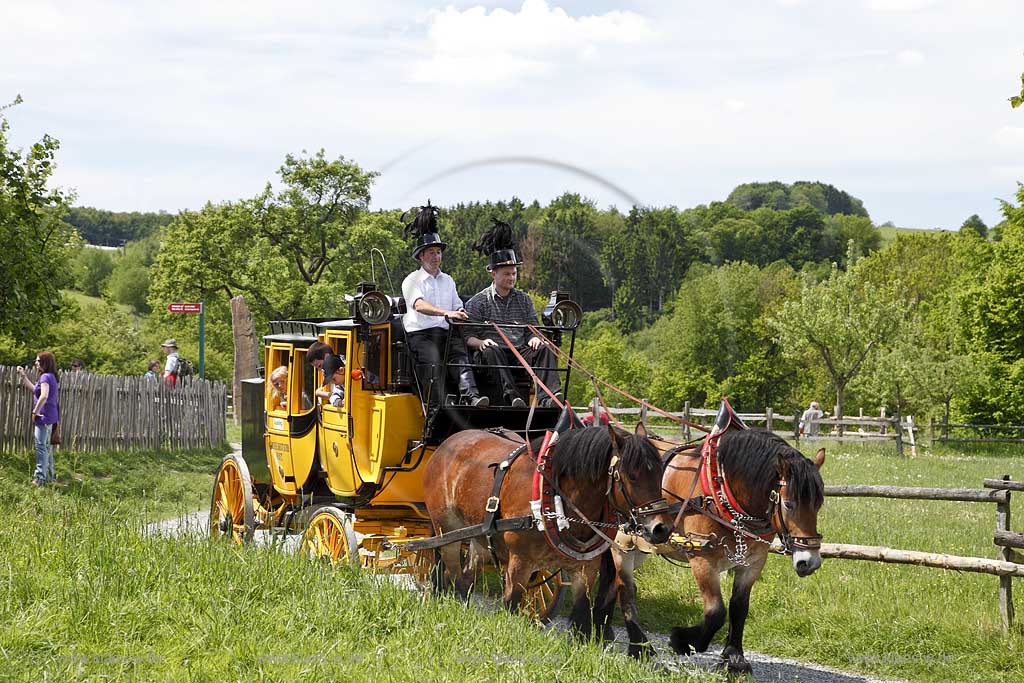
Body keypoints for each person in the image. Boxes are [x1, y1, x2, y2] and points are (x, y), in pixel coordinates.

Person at [464, 220, 563, 408]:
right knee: (492, 351)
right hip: (492, 355)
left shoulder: (524, 300)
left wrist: (535, 338)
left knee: (544, 347)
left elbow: (532, 329)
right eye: (507, 274)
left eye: (514, 273)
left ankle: (549, 396)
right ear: (493, 274)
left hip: (519, 351)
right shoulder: (477, 302)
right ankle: (511, 396)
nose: (511, 278)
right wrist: (481, 343)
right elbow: (467, 337)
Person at [401, 202, 488, 409]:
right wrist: (446, 312)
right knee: (433, 359)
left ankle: (473, 397)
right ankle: (437, 404)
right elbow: (419, 305)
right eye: (431, 252)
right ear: (421, 256)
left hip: (446, 333)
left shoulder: (448, 280)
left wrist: (459, 311)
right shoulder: (411, 280)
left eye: (438, 252)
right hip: (421, 335)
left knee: (459, 355)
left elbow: (457, 304)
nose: (436, 256)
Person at [16, 351, 60, 486]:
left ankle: (40, 478)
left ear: (44, 363)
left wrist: (35, 412)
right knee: (47, 448)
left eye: (38, 361)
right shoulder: (51, 376)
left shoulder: (45, 377)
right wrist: (23, 376)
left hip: (43, 417)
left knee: (41, 448)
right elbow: (35, 390)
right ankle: (50, 477)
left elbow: (44, 396)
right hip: (51, 417)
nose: (35, 363)